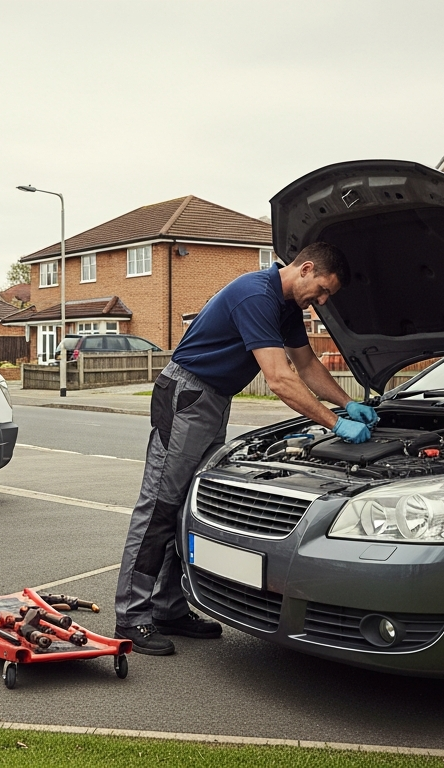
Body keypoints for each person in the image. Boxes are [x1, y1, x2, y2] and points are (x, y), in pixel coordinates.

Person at [113, 241, 377, 655]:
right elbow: (280, 378)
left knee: (184, 505)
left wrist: (349, 403)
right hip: (187, 395)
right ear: (305, 269)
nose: (322, 301)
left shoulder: (286, 306)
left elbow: (306, 365)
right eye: (323, 290)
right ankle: (131, 616)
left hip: (212, 399)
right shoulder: (256, 294)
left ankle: (167, 607)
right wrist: (334, 424)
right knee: (160, 506)